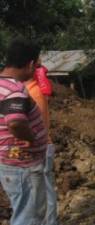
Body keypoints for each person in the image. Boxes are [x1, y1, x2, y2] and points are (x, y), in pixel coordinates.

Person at [0, 38, 48, 225]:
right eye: (35, 66)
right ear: (29, 64)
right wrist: (32, 137)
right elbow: (16, 124)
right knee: (30, 217)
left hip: (9, 162)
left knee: (23, 212)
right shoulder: (15, 90)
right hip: (23, 165)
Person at [25, 77, 58, 224]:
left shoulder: (33, 92)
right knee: (43, 191)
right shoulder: (30, 91)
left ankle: (49, 222)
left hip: (40, 147)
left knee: (43, 192)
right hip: (41, 146)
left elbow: (34, 128)